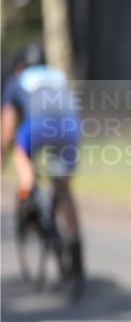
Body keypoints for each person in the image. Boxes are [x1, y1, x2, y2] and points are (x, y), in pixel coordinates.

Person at [1, 43, 81, 225]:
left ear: (20, 66)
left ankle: (29, 190)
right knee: (64, 186)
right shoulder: (59, 76)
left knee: (21, 156)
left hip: (38, 124)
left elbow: (8, 124)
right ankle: (74, 240)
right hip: (71, 125)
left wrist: (3, 153)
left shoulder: (17, 79)